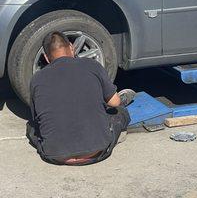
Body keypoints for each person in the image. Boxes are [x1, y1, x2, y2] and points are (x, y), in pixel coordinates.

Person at [26, 31, 135, 165]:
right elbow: (115, 102)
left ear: (46, 58)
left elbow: (36, 117)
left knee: (31, 127)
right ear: (72, 47)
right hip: (97, 151)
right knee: (120, 113)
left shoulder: (37, 79)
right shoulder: (93, 65)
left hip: (54, 155)